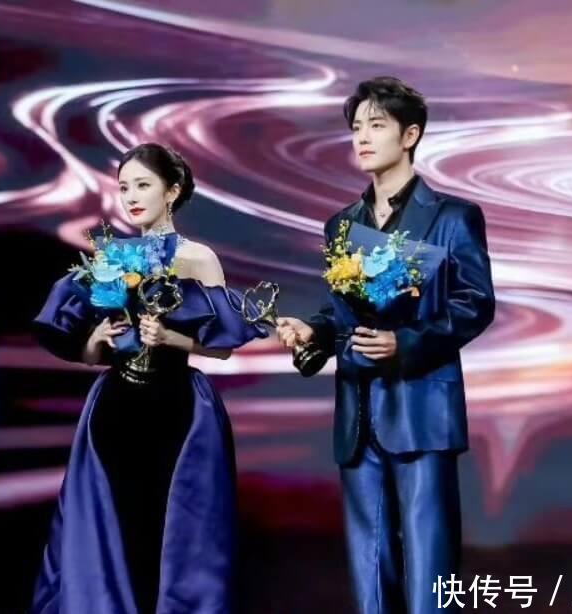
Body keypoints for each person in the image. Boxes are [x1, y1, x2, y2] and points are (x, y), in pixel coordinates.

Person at [277, 76, 496, 614]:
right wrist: (314, 333)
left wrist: (405, 342)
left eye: (376, 125)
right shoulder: (341, 226)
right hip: (357, 412)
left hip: (422, 406)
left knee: (429, 567)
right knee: (369, 566)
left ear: (410, 135)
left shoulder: (451, 217)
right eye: (357, 127)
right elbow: (340, 312)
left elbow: (474, 303)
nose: (362, 137)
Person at [31, 143, 266, 613]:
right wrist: (96, 339)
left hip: (177, 409)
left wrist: (170, 338)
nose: (132, 197)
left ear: (172, 191)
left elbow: (222, 346)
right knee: (113, 522)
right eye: (124, 188)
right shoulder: (111, 258)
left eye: (143, 185)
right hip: (116, 406)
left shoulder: (198, 258)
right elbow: (89, 354)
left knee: (170, 529)